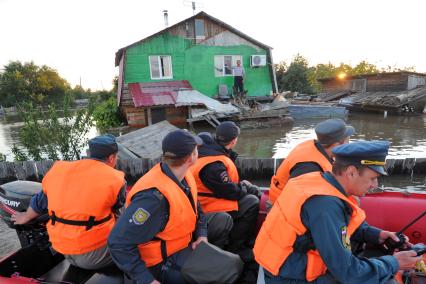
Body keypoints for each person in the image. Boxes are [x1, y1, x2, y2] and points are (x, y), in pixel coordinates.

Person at [254, 140, 422, 283]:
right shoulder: (324, 205)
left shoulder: (319, 181)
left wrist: (376, 235)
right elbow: (347, 272)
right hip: (289, 277)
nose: (374, 186)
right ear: (351, 172)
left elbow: (342, 226)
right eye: (372, 178)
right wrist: (393, 263)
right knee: (383, 278)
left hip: (288, 264)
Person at [11, 134, 126, 270]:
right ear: (112, 157)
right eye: (116, 157)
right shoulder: (115, 180)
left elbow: (40, 201)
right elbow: (123, 218)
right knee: (138, 239)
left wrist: (25, 217)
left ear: (90, 154)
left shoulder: (60, 170)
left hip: (62, 249)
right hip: (94, 255)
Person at [108, 129, 208, 284]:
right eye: (196, 150)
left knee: (222, 222)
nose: (198, 152)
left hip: (183, 241)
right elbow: (118, 242)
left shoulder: (184, 175)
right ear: (191, 158)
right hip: (161, 262)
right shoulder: (153, 199)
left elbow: (196, 208)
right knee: (218, 274)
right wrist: (146, 280)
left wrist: (202, 234)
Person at [191, 121, 261, 258]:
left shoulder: (210, 152)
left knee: (251, 198)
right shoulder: (213, 165)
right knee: (252, 202)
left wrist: (242, 186)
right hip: (207, 207)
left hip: (212, 197)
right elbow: (231, 192)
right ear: (234, 141)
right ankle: (236, 248)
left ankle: (243, 242)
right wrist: (246, 187)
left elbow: (223, 186)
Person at [269, 118, 354, 205]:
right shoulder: (308, 168)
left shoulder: (318, 147)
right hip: (281, 206)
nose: (349, 144)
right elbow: (300, 201)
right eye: (347, 141)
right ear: (337, 145)